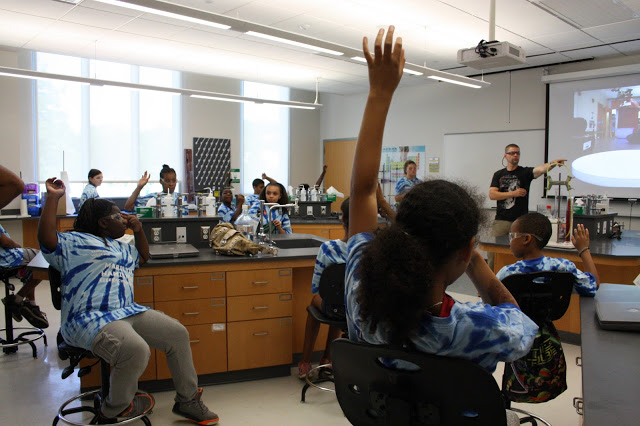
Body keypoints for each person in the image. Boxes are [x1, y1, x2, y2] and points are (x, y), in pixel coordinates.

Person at [345, 26, 537, 374]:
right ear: (464, 251)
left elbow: (361, 192)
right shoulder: (476, 329)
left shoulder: (363, 301)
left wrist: (379, 94)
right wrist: (475, 257)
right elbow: (517, 320)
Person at [38, 178, 219, 424]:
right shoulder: (74, 242)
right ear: (103, 223)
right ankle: (113, 410)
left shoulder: (122, 247)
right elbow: (46, 241)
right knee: (135, 349)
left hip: (127, 312)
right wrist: (52, 198)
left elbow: (143, 256)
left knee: (177, 333)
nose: (123, 218)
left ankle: (187, 401)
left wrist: (138, 229)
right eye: (117, 216)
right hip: (89, 318)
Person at [496, 213, 599, 403]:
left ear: (526, 239)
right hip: (547, 337)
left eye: (512, 236)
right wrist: (583, 249)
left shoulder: (507, 274)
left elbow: (491, 308)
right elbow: (593, 285)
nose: (509, 242)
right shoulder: (563, 268)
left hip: (515, 339)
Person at [488, 144, 566, 270]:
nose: (515, 155)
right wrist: (514, 193)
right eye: (512, 153)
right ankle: (490, 281)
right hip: (501, 220)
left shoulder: (524, 172)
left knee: (521, 251)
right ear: (505, 155)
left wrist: (552, 163)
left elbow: (540, 169)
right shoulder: (498, 174)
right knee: (493, 252)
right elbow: (492, 194)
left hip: (520, 222)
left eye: (518, 153)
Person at [298, 198, 350, 379]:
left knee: (320, 299)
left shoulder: (329, 248)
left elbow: (316, 287)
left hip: (334, 308)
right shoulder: (369, 249)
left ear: (342, 219)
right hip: (358, 312)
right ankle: (327, 358)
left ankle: (305, 362)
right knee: (340, 298)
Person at [0, 165, 48, 329]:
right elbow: (5, 242)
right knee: (42, 259)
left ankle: (29, 304)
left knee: (31, 260)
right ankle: (20, 300)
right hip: (4, 258)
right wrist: (17, 246)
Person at [123, 165, 188, 215]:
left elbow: (183, 216)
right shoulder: (153, 197)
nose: (171, 184)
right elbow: (128, 207)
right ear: (161, 181)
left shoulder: (180, 198)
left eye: (174, 181)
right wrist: (139, 187)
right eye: (167, 181)